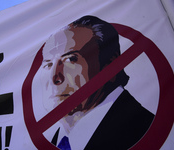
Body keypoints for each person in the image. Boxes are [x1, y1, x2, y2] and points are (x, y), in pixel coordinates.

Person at [39, 15, 154, 149]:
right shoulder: (57, 141)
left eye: (71, 59)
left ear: (110, 64)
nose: (55, 78)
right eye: (48, 65)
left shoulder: (142, 129)